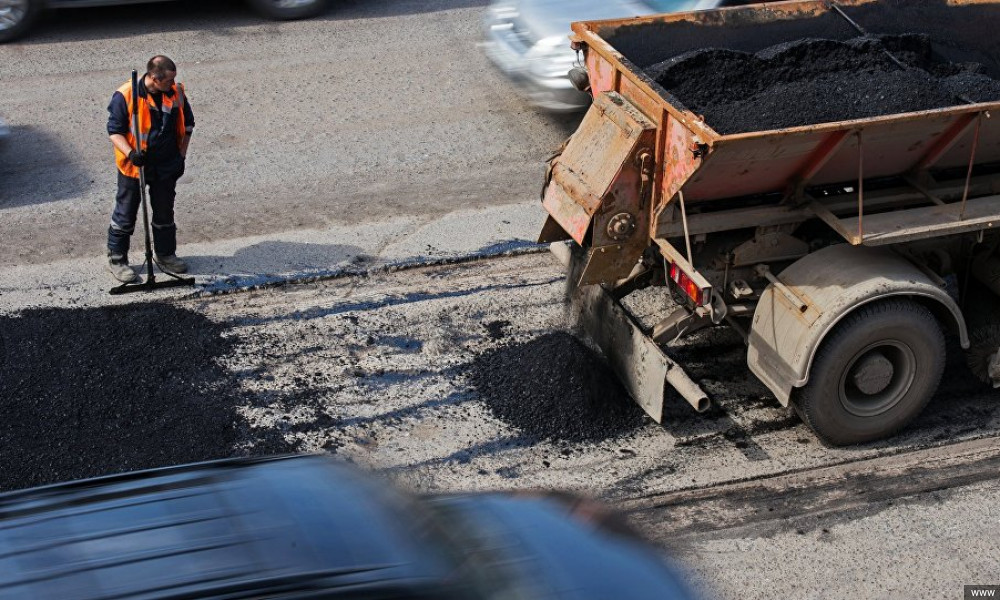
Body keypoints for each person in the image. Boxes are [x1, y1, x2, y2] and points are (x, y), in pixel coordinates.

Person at [105, 55, 194, 282]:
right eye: (168, 81)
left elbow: (188, 126)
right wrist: (131, 154)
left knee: (164, 211)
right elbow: (114, 131)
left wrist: (180, 157)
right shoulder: (126, 95)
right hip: (135, 165)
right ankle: (117, 259)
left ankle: (166, 254)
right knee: (125, 212)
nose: (173, 84)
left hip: (166, 164)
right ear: (154, 78)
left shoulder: (176, 92)